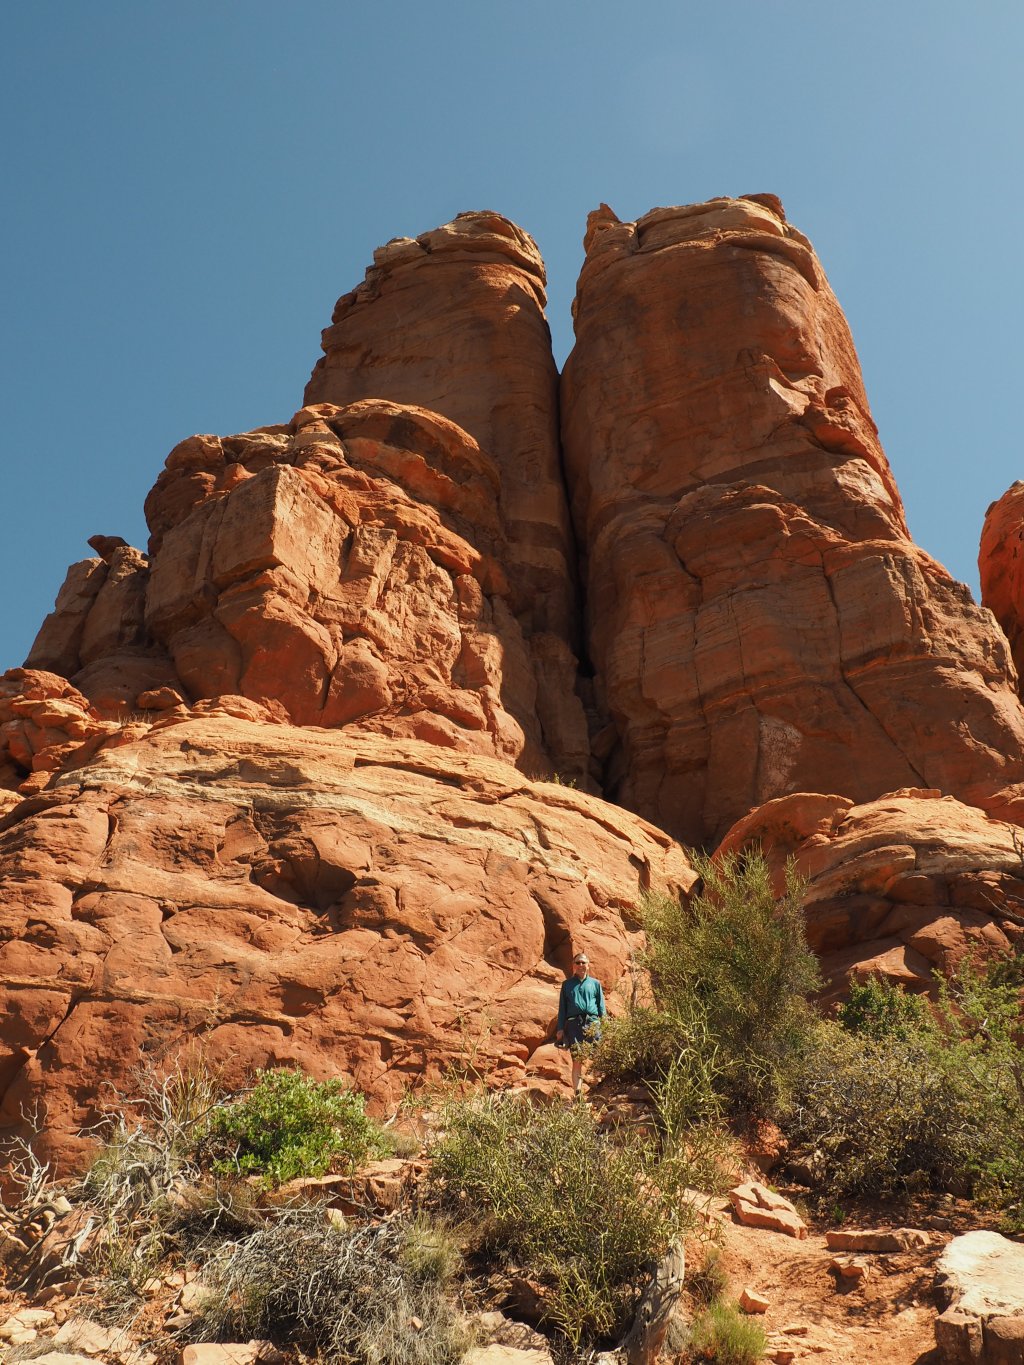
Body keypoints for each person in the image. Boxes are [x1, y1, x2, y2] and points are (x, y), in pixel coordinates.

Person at [556, 951, 606, 1096]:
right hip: (574, 1025)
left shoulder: (595, 984)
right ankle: (577, 1095)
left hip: (593, 1023)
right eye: (578, 962)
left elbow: (601, 1006)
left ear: (588, 965)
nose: (581, 965)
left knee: (599, 1055)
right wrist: (560, 1029)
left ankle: (599, 1090)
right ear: (573, 966)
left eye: (583, 962)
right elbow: (562, 1008)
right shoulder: (567, 985)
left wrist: (605, 1025)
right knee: (577, 1060)